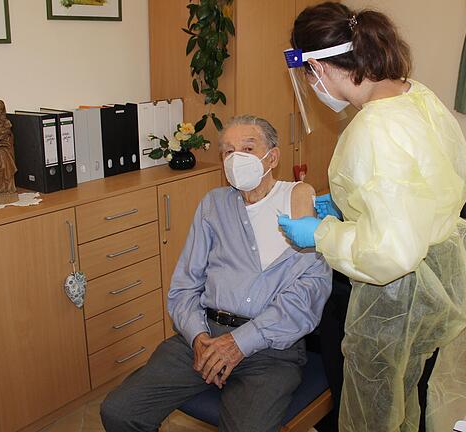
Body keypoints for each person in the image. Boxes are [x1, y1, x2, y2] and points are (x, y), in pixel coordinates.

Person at [278, 3, 466, 431]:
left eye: (306, 72)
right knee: (417, 388)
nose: (308, 83)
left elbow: (388, 253)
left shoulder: (374, 129)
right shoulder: (416, 94)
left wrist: (321, 234)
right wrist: (350, 207)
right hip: (438, 279)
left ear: (318, 67)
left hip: (396, 296)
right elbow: (427, 185)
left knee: (380, 407)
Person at [100, 116, 332, 432]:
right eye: (227, 151)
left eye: (248, 148)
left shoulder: (300, 206)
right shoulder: (214, 205)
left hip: (270, 350)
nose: (236, 159)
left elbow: (306, 301)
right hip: (204, 337)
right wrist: (197, 336)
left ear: (272, 157)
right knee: (119, 411)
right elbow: (184, 287)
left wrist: (240, 342)